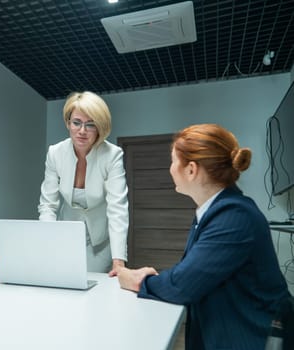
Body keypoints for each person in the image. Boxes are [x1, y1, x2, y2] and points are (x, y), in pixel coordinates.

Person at [116, 124, 291, 350]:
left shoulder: (234, 217)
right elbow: (192, 274)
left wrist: (137, 280)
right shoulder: (215, 211)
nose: (170, 169)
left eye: (172, 161)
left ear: (191, 170)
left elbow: (182, 285)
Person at [38, 91, 129, 275]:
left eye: (90, 125)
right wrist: (46, 243)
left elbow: (117, 208)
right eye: (76, 123)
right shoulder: (55, 153)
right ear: (67, 123)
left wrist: (118, 261)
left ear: (100, 127)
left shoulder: (112, 155)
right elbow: (48, 204)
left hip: (100, 242)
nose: (82, 131)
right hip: (65, 235)